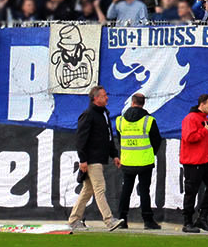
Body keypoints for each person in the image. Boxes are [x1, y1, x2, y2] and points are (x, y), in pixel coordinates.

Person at [69, 86, 125, 232]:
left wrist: (114, 155)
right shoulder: (88, 114)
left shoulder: (104, 113)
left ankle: (74, 220)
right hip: (92, 159)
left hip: (99, 158)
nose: (107, 98)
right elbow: (81, 139)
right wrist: (83, 159)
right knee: (100, 188)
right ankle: (109, 220)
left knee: (87, 191)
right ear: (96, 98)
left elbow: (108, 136)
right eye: (104, 96)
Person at [115, 93, 162, 229]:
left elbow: (119, 138)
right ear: (143, 103)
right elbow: (157, 140)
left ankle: (122, 219)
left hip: (128, 161)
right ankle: (148, 221)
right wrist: (150, 152)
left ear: (132, 102)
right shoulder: (149, 120)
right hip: (144, 161)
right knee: (144, 191)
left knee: (126, 190)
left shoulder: (120, 121)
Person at [180, 93, 208, 233]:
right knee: (191, 192)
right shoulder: (190, 118)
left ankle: (202, 217)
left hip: (206, 161)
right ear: (201, 104)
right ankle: (187, 222)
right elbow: (189, 137)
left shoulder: (204, 118)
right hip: (193, 162)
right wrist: (204, 130)